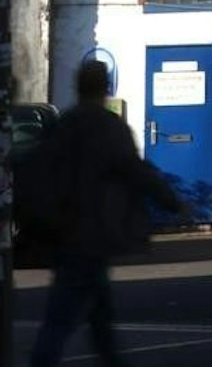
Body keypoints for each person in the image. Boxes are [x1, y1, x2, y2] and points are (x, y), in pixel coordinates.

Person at [25, 59, 183, 367]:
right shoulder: (108, 126)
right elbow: (136, 171)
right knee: (65, 319)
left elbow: (42, 169)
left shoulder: (64, 124)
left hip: (66, 231)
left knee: (95, 316)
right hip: (93, 231)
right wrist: (173, 202)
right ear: (105, 87)